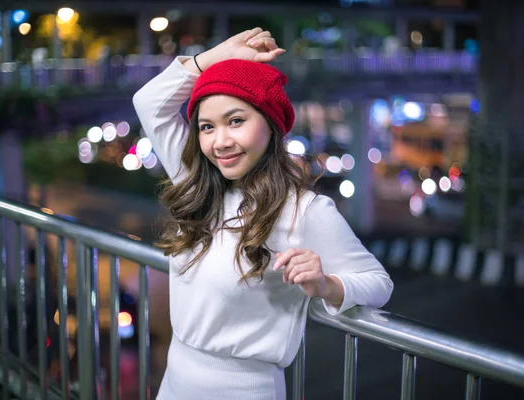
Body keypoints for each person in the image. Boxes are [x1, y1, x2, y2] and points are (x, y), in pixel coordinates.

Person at [133, 28, 394, 400]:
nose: (220, 141)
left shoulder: (306, 210)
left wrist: (325, 286)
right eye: (207, 127)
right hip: (175, 382)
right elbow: (149, 102)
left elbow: (378, 283)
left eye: (236, 121)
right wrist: (218, 55)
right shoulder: (198, 182)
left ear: (270, 126)